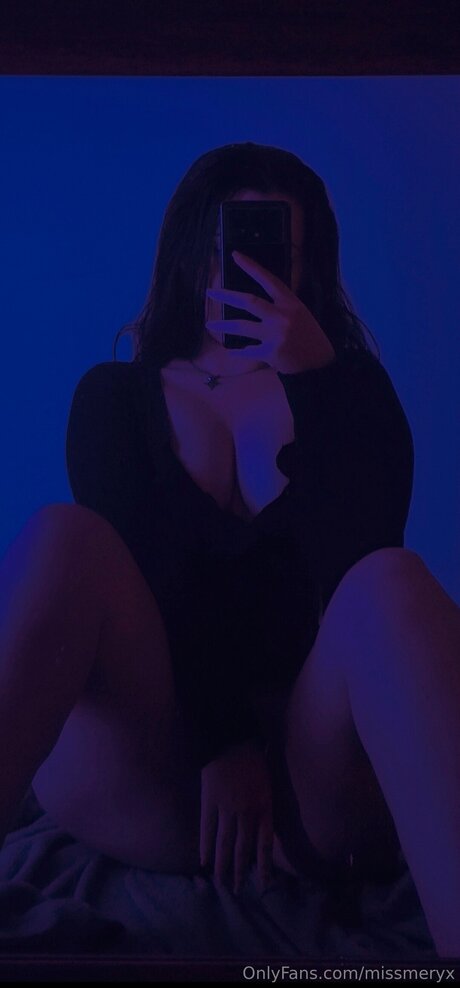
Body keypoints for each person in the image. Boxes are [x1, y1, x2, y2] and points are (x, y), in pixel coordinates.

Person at [1, 142, 459, 956]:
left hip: (312, 782)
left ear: (309, 264)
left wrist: (319, 383)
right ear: (193, 251)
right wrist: (222, 740)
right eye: (230, 244)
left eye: (277, 248)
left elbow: (354, 568)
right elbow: (150, 565)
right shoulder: (115, 399)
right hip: (156, 770)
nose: (248, 269)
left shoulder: (353, 391)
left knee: (390, 581)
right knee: (61, 537)